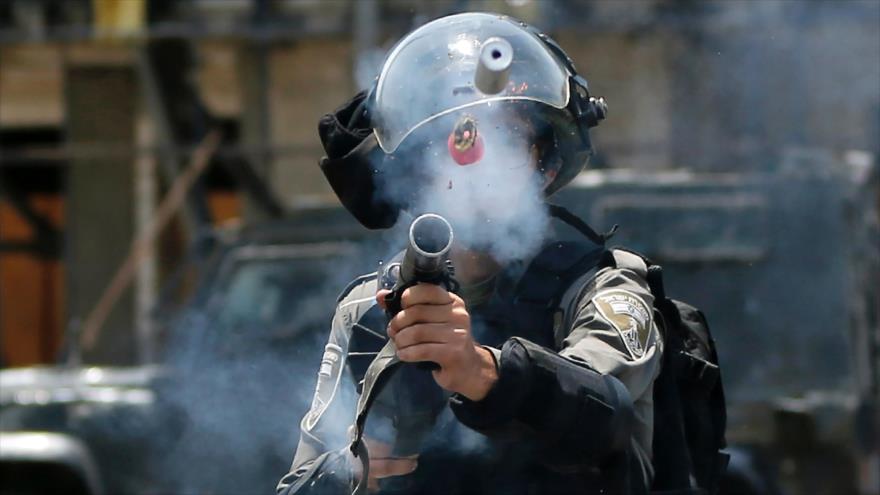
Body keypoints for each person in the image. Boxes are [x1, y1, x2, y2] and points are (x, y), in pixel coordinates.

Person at [277, 13, 662, 495]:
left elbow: (604, 417)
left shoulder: (601, 286)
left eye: (506, 140)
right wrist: (346, 473)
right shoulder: (368, 310)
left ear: (544, 168)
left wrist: (480, 371)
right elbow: (298, 479)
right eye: (452, 145)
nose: (478, 170)